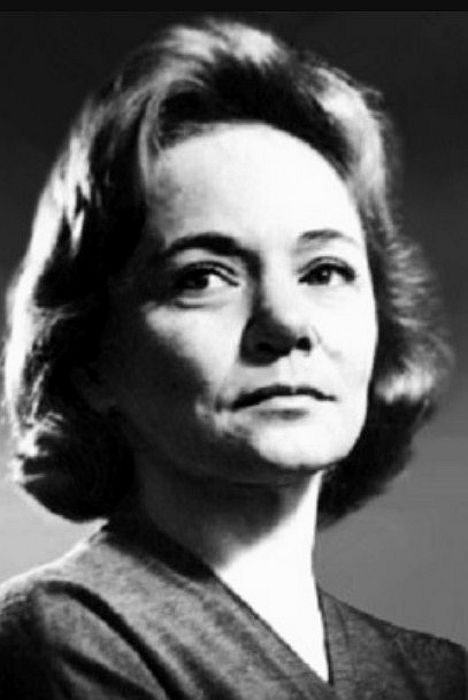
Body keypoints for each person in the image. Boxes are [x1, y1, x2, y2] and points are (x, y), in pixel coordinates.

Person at [0, 16, 465, 699]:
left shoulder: (436, 673)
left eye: (325, 271)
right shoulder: (63, 636)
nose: (287, 323)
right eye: (204, 277)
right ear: (91, 361)